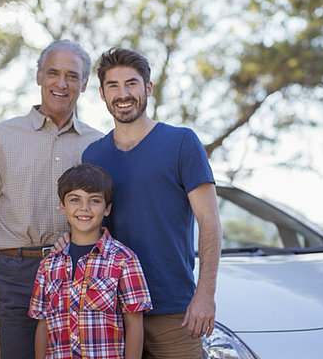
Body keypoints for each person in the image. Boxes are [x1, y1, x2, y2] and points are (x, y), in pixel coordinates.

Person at [74, 47, 222, 358]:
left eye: (131, 83)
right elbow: (90, 224)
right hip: (111, 310)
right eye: (113, 86)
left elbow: (209, 221)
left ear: (148, 88)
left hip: (172, 309)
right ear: (101, 94)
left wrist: (205, 294)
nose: (123, 94)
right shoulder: (93, 156)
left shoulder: (181, 143)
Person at [0, 40, 103, 359]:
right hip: (17, 271)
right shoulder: (1, 137)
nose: (61, 84)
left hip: (80, 271)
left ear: (84, 83)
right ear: (39, 76)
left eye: (71, 75)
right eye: (53, 73)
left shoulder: (97, 145)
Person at [29, 164, 152, 359]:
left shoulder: (124, 260)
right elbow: (43, 325)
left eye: (94, 201)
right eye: (74, 200)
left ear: (107, 208)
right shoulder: (48, 265)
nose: (84, 208)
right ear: (62, 206)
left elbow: (134, 325)